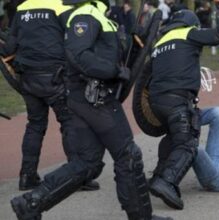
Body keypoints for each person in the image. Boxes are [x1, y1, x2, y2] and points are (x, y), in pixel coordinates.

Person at [10, 0, 170, 219]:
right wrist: (112, 70)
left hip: (88, 98)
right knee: (128, 155)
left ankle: (30, 204)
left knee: (87, 163)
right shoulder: (85, 15)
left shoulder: (99, 14)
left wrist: (139, 40)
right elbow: (78, 54)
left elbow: (112, 54)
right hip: (95, 99)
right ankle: (141, 216)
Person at [0, 0, 99, 191]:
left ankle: (27, 176)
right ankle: (76, 177)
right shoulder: (60, 6)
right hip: (56, 77)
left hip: (28, 78)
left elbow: (9, 49)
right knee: (69, 121)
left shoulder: (22, 9)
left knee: (35, 124)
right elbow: (75, 41)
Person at [147, 0, 219, 210]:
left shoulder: (160, 42)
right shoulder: (188, 33)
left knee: (174, 135)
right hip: (177, 100)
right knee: (187, 142)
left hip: (156, 102)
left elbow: (145, 78)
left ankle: (158, 175)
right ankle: (166, 181)